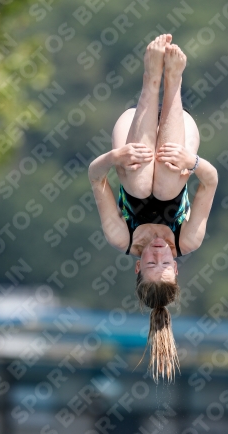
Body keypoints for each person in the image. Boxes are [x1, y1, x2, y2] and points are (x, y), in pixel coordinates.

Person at [88, 34, 218, 382]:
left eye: (150, 262)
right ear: (176, 268)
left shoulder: (121, 237)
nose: (159, 253)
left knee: (140, 184)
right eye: (165, 263)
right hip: (181, 137)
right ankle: (173, 81)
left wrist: (115, 157)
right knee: (167, 184)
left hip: (132, 131)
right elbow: (211, 181)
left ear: (137, 267)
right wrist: (192, 162)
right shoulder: (188, 239)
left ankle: (152, 78)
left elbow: (95, 178)